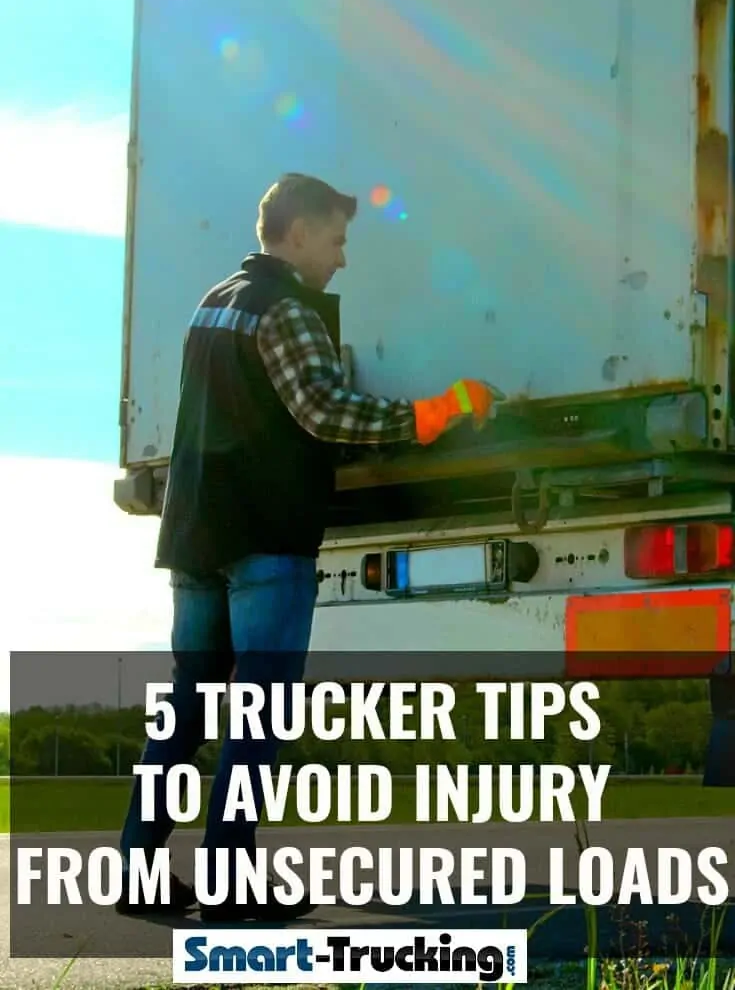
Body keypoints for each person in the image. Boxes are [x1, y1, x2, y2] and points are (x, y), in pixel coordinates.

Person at [116, 172, 498, 922]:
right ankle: (230, 888)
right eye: (336, 238)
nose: (342, 259)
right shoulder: (285, 310)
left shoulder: (213, 302)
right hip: (263, 538)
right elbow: (323, 411)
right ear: (296, 234)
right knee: (259, 713)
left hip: (195, 537)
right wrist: (439, 410)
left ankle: (135, 869)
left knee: (187, 709)